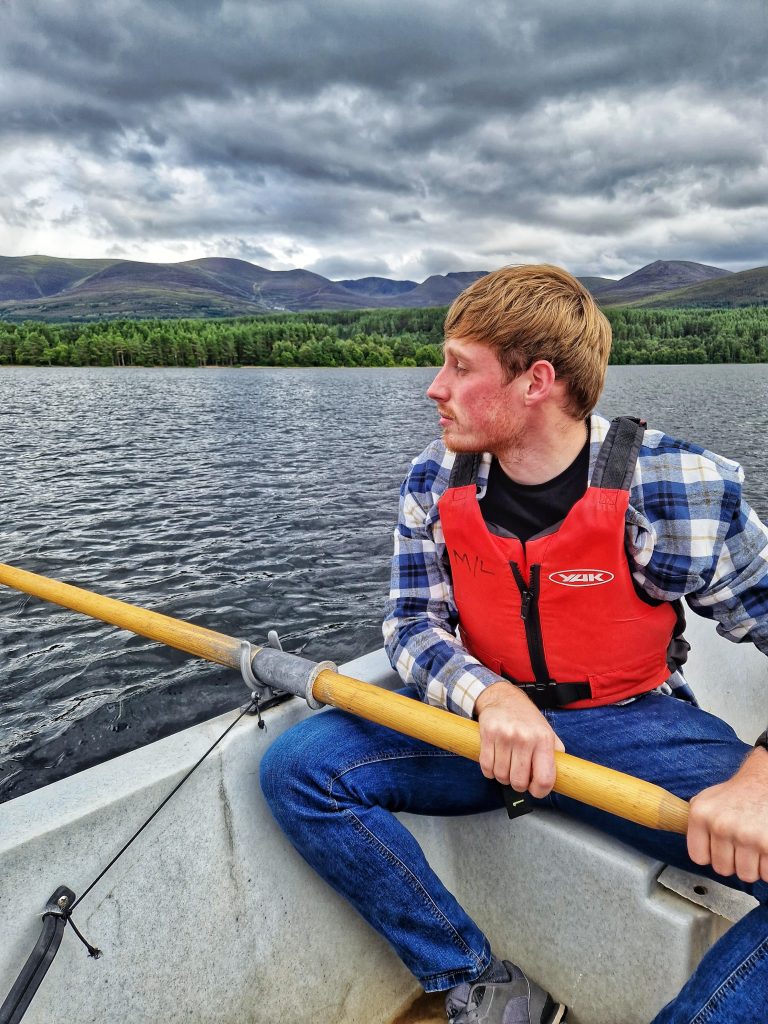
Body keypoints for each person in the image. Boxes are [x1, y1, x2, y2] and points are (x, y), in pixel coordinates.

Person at [260, 264, 768, 1024]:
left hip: (634, 723)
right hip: (486, 731)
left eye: (460, 367)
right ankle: (478, 983)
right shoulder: (435, 478)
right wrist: (490, 697)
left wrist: (760, 779)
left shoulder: (677, 484)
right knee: (301, 768)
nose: (435, 387)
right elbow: (410, 624)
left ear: (536, 382)